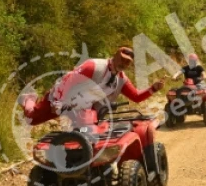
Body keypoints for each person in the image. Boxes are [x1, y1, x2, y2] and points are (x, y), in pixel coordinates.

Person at [20, 46, 165, 126]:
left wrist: (153, 88)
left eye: (128, 62)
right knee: (31, 119)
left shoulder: (121, 80)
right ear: (115, 55)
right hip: (62, 98)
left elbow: (136, 97)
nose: (123, 63)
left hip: (82, 108)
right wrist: (58, 101)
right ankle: (29, 100)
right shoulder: (94, 66)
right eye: (122, 59)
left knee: (87, 133)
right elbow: (68, 80)